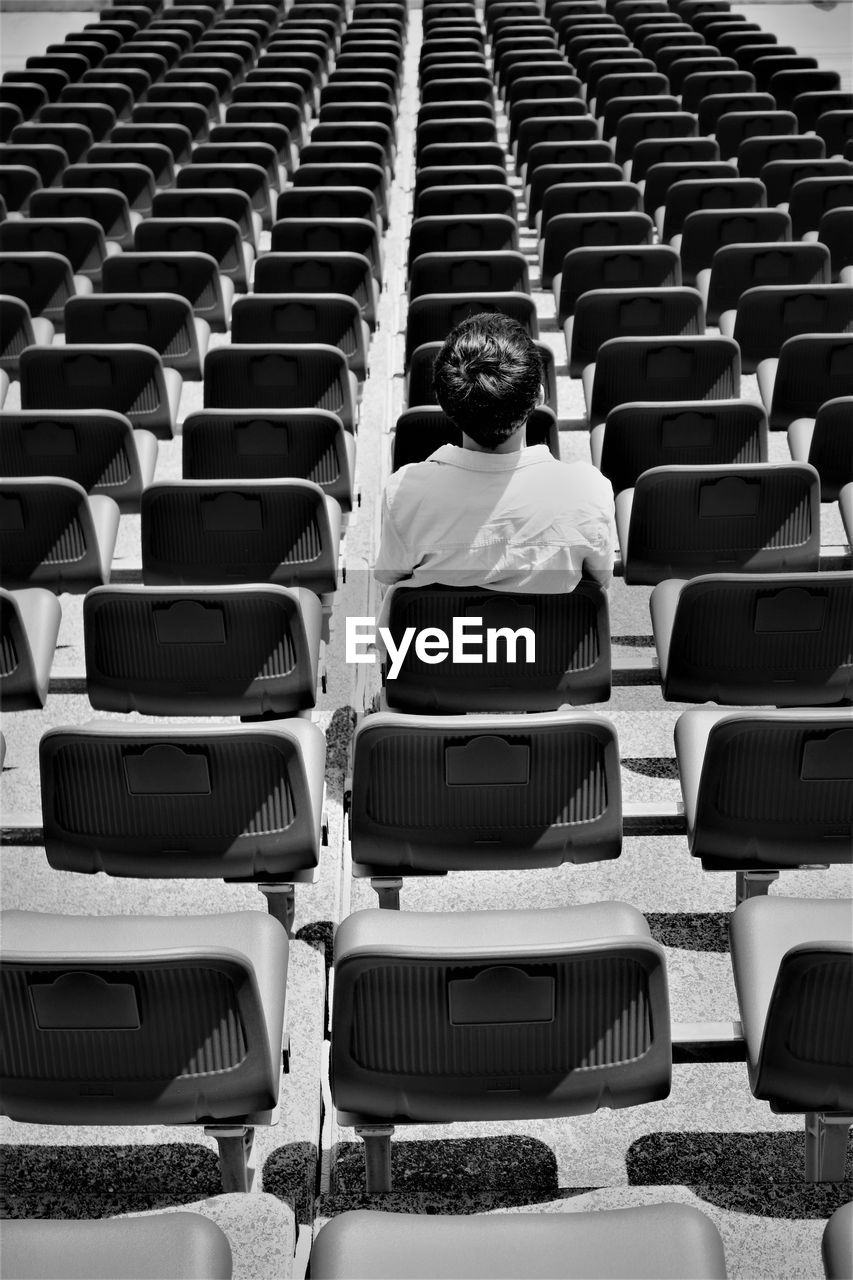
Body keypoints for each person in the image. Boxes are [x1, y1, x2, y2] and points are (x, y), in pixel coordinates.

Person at [375, 312, 615, 607]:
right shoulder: (589, 491)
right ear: (539, 396)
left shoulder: (405, 494)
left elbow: (389, 576)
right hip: (550, 651)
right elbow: (599, 582)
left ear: (444, 402)